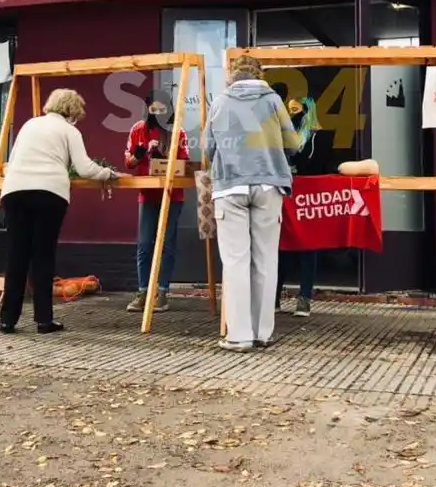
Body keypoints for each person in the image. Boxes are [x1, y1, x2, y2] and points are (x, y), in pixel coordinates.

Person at [0, 88, 126, 334]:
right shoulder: (70, 131)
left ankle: (7, 321)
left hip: (15, 191)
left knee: (16, 256)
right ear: (73, 111)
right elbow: (86, 168)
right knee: (43, 257)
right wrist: (109, 174)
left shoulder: (30, 125)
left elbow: (12, 161)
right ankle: (44, 320)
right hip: (49, 194)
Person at [206, 55, 297, 352]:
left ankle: (239, 336)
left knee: (235, 261)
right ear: (260, 73)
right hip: (269, 184)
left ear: (232, 74)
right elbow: (293, 144)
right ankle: (263, 333)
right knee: (266, 260)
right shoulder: (272, 100)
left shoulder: (219, 102)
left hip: (230, 186)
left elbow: (207, 148)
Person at [124, 92, 190, 313]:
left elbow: (184, 163)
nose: (158, 113)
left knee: (167, 243)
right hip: (147, 194)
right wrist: (142, 152)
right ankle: (143, 291)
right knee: (144, 244)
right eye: (154, 109)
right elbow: (129, 163)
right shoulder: (137, 130)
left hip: (172, 195)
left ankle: (162, 291)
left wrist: (164, 153)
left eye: (163, 109)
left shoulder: (178, 132)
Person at [275, 95, 327, 318]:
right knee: (280, 246)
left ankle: (304, 298)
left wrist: (294, 154)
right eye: (290, 109)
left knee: (308, 246)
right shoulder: (282, 133)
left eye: (297, 110)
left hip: (307, 197)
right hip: (285, 195)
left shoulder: (317, 136)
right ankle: (274, 296)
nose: (293, 113)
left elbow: (315, 164)